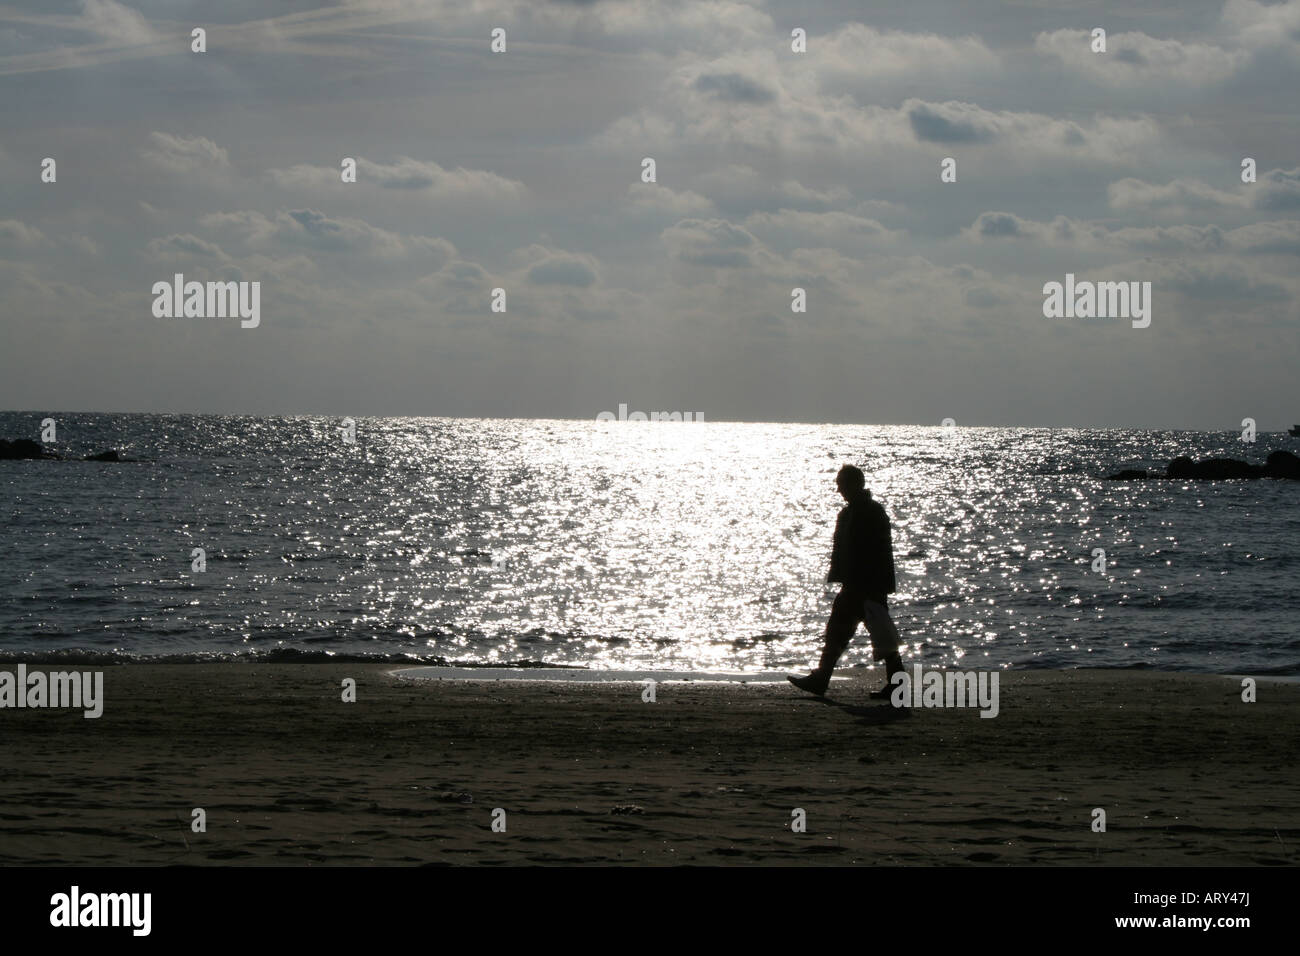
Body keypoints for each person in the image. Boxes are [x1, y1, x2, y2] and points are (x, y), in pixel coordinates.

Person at [788, 464, 904, 699]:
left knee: (879, 635)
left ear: (854, 484)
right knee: (845, 633)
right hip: (855, 585)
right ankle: (823, 678)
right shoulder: (852, 513)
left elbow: (877, 552)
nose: (839, 489)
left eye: (842, 484)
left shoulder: (871, 512)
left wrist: (872, 585)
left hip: (867, 586)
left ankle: (824, 679)